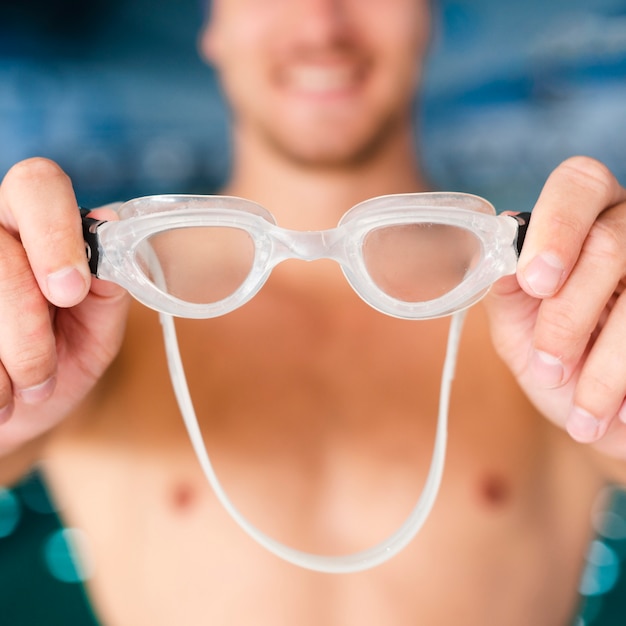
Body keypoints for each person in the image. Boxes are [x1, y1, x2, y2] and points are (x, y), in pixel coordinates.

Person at [1, 0, 626, 623]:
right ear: (212, 23)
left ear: (429, 16)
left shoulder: (566, 311)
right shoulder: (82, 314)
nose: (322, 23)